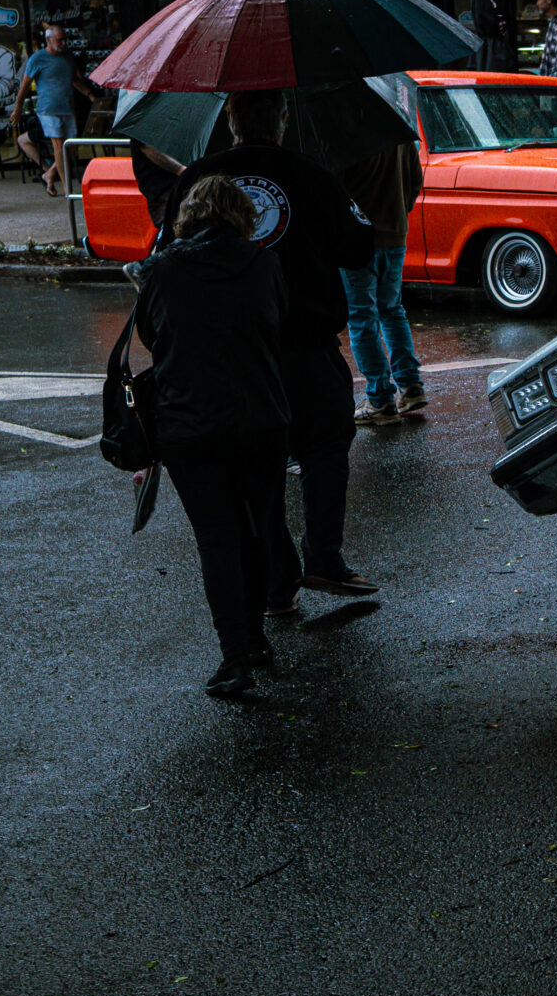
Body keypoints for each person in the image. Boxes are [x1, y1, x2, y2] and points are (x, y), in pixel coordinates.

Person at [165, 89, 379, 608]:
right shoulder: (311, 173)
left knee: (255, 467)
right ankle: (323, 556)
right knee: (325, 448)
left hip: (229, 355)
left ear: (230, 120)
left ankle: (277, 580)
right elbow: (359, 247)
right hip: (305, 343)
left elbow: (169, 256)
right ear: (283, 118)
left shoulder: (199, 177)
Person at [132, 175, 290, 698]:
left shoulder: (161, 269)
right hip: (261, 418)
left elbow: (151, 336)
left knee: (216, 538)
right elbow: (279, 326)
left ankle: (234, 658)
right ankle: (257, 637)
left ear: (188, 217)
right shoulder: (264, 263)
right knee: (257, 529)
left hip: (189, 423)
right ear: (243, 216)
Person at [341, 137, 425, 426]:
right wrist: (399, 212)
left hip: (358, 239)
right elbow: (415, 181)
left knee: (361, 318)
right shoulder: (399, 132)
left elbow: (337, 190)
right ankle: (410, 385)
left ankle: (380, 399)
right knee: (391, 309)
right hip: (395, 234)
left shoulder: (348, 135)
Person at [15, 23, 82, 198]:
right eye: (59, 40)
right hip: (48, 109)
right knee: (59, 145)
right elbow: (25, 85)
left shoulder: (67, 57)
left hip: (67, 107)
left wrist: (89, 94)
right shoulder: (37, 59)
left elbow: (75, 80)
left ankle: (50, 174)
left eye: (64, 39)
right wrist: (18, 107)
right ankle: (67, 187)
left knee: (71, 147)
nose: (63, 43)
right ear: (48, 40)